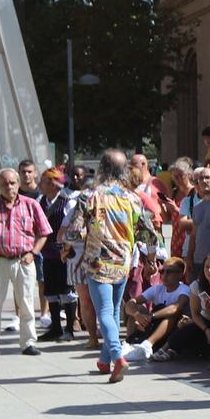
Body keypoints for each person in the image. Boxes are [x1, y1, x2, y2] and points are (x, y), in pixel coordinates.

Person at [63, 150, 150, 383]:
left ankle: (117, 357)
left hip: (98, 261)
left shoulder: (90, 196)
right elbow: (146, 231)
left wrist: (71, 241)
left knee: (104, 312)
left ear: (101, 168)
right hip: (123, 261)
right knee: (112, 311)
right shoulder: (132, 198)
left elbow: (73, 232)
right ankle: (104, 360)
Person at [0, 168, 51, 358]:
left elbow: (44, 233)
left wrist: (33, 253)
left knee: (26, 302)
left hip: (23, 260)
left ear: (18, 183)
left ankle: (28, 342)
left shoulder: (31, 204)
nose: (9, 186)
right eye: (4, 183)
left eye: (12, 182)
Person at [37, 168, 79, 342]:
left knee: (66, 290)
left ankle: (69, 328)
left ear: (54, 184)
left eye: (45, 181)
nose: (41, 185)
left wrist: (66, 248)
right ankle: (55, 328)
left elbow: (73, 227)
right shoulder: (40, 201)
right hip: (47, 254)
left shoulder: (68, 202)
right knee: (51, 291)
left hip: (64, 254)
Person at [126, 257, 194, 363]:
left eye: (169, 272)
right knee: (137, 308)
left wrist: (151, 316)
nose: (164, 275)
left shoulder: (184, 289)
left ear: (180, 275)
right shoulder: (158, 288)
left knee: (172, 314)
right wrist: (137, 315)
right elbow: (130, 303)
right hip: (155, 325)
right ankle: (130, 343)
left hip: (173, 331)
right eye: (162, 271)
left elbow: (176, 307)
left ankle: (147, 345)